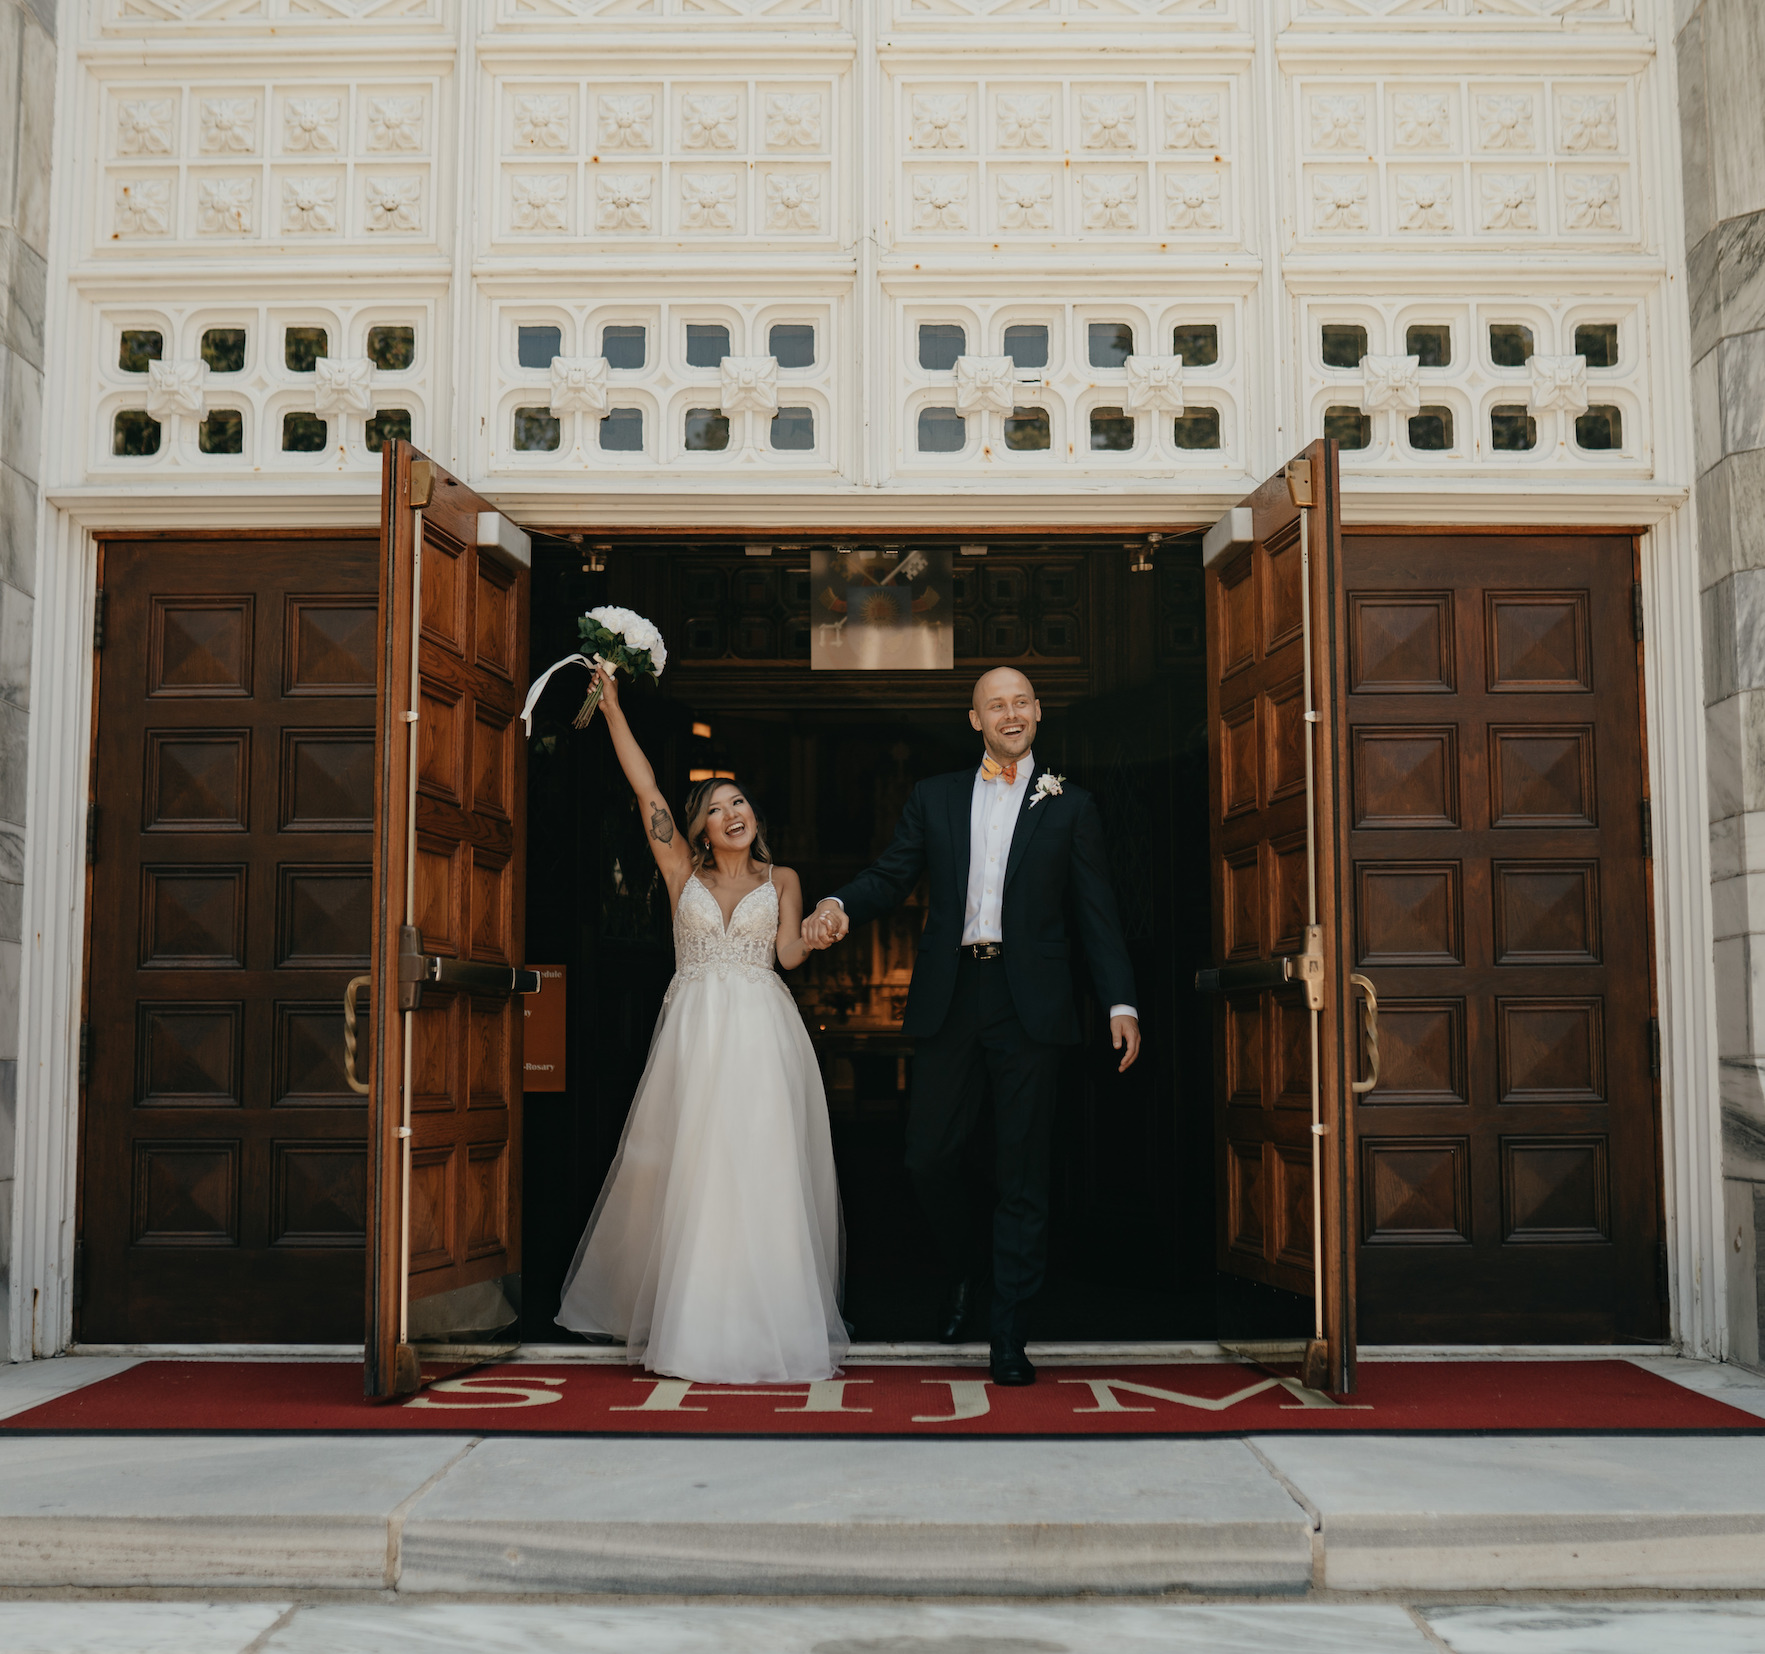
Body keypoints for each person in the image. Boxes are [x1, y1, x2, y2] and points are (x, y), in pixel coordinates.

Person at [802, 667, 1140, 1387]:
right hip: (952, 994)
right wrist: (836, 905)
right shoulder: (935, 797)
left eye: (1020, 702)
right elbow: (891, 876)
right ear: (974, 719)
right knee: (928, 1157)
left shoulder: (1072, 806)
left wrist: (1120, 1002)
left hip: (1032, 1003)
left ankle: (1009, 1335)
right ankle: (966, 1267)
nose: (1009, 713)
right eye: (996, 705)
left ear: (1038, 712)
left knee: (1023, 1173)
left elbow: (1095, 912)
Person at [556, 659, 848, 1383]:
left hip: (760, 1033)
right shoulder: (680, 870)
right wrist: (614, 708)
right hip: (693, 1034)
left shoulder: (781, 881)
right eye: (716, 807)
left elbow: (786, 954)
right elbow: (646, 787)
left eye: (739, 800)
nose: (732, 812)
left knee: (758, 1167)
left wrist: (814, 933)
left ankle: (766, 1320)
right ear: (697, 827)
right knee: (686, 1169)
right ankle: (688, 1320)